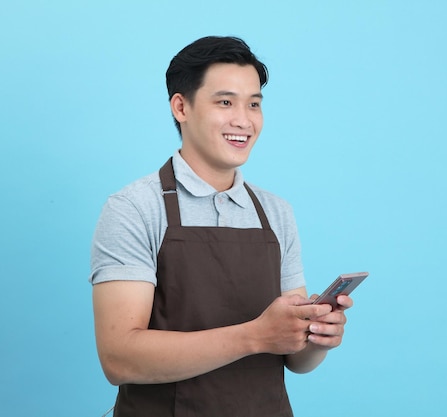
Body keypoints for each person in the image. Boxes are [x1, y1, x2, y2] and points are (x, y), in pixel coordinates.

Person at [90, 35, 354, 417]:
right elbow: (119, 359)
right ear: (181, 106)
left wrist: (316, 339)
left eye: (254, 104)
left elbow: (296, 361)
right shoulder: (134, 208)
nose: (243, 120)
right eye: (225, 102)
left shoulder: (276, 213)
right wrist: (254, 336)